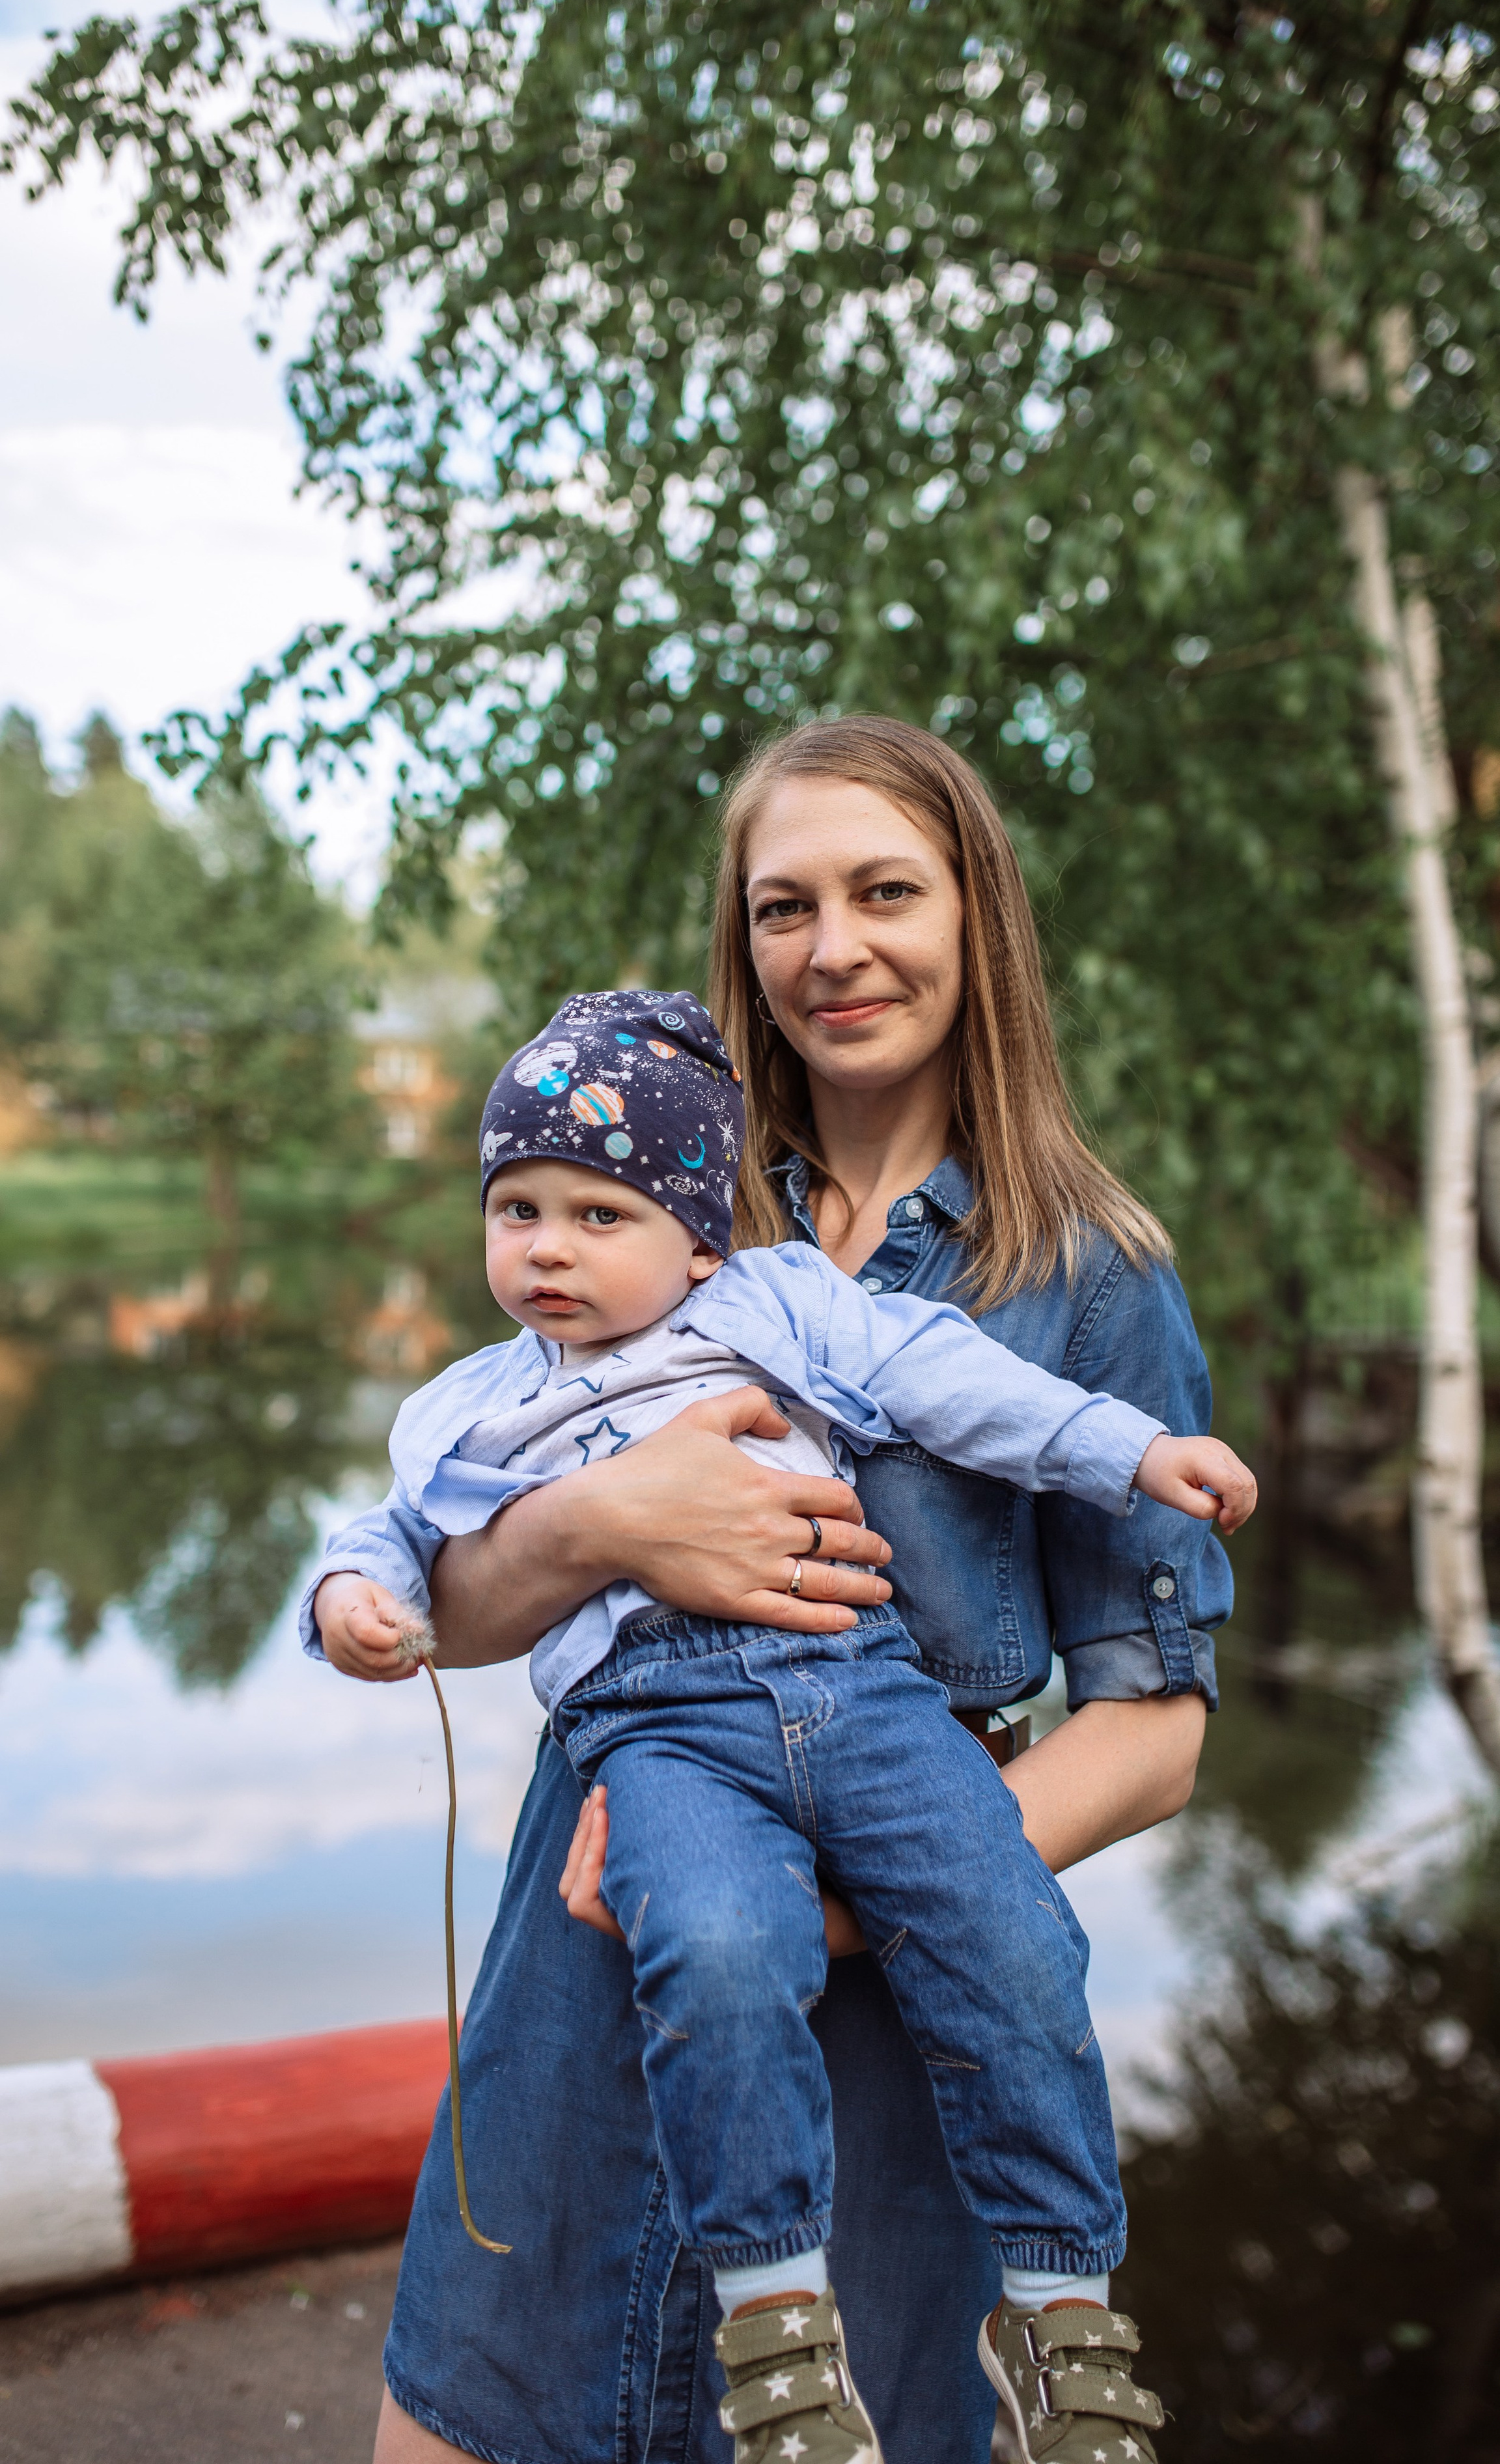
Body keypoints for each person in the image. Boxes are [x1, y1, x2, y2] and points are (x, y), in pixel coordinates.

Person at [315, 716, 1233, 2464]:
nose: (833, 950)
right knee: (461, 2424)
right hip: (603, 1900)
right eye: (782, 907)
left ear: (978, 918)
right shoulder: (644, 1207)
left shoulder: (1094, 1285)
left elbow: (1157, 1737)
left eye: (886, 892)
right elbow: (471, 1608)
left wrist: (852, 1903)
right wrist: (607, 1526)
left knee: (816, 2422)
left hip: (892, 1973)